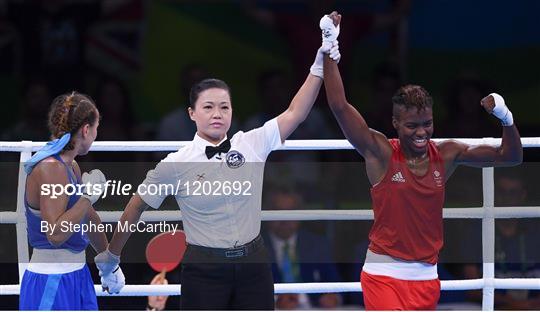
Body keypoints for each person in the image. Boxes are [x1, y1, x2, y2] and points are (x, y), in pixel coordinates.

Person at [94, 15, 342, 310]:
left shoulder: (251, 143)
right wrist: (111, 259)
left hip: (253, 264)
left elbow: (295, 112)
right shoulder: (176, 163)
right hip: (204, 269)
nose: (217, 113)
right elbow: (136, 205)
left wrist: (319, 60)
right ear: (191, 114)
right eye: (208, 107)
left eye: (224, 106)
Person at [321, 12, 523, 310]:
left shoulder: (447, 154)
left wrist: (505, 117)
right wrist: (329, 47)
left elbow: (511, 157)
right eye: (412, 125)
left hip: (427, 277)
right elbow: (339, 105)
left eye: (426, 124)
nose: (421, 132)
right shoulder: (381, 152)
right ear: (395, 123)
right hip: (384, 275)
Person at [19, 91, 124, 310]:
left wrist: (108, 263)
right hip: (51, 281)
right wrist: (87, 198)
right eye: (96, 129)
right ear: (86, 130)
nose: (96, 135)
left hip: (77, 276)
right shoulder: (51, 168)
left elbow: (90, 219)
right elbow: (55, 234)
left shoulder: (70, 166)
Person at [462, 173, 540, 310]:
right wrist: (513, 305)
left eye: (513, 192)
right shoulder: (476, 232)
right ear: (493, 193)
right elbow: (472, 289)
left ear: (523, 195)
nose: (507, 198)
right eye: (501, 191)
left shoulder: (536, 231)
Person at [262, 188, 341, 310]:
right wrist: (275, 301)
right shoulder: (255, 247)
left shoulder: (317, 244)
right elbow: (247, 289)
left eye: (290, 211)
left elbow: (335, 283)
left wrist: (334, 297)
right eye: (278, 211)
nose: (284, 219)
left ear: (300, 214)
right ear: (267, 213)